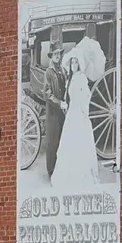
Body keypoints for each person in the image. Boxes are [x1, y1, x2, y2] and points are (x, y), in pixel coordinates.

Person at [51, 53, 99, 187]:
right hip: (72, 112)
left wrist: (84, 111)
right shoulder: (70, 79)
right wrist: (66, 105)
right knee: (69, 142)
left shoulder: (81, 78)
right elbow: (68, 96)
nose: (74, 65)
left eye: (76, 63)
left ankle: (81, 175)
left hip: (79, 112)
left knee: (79, 141)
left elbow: (86, 95)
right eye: (72, 63)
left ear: (79, 65)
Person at [40, 40, 68, 182]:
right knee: (52, 142)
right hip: (53, 113)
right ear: (51, 56)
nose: (57, 56)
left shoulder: (62, 70)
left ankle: (59, 170)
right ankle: (51, 172)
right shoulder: (49, 72)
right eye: (55, 54)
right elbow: (47, 93)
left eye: (59, 53)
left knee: (62, 141)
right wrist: (59, 103)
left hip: (62, 112)